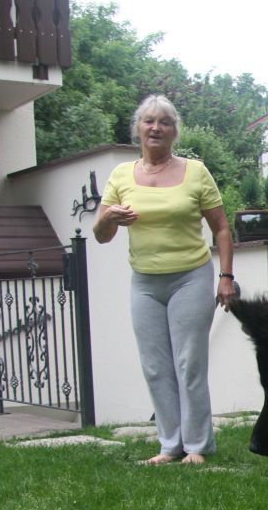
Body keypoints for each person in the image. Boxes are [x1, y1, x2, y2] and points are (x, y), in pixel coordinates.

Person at [92, 94, 236, 465]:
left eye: (164, 122)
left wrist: (226, 277)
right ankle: (170, 446)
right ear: (138, 129)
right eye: (149, 121)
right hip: (144, 283)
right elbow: (101, 235)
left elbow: (221, 228)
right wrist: (108, 218)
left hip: (190, 276)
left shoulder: (196, 172)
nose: (156, 127)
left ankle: (197, 446)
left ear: (174, 131)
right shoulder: (121, 175)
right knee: (155, 366)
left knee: (189, 363)